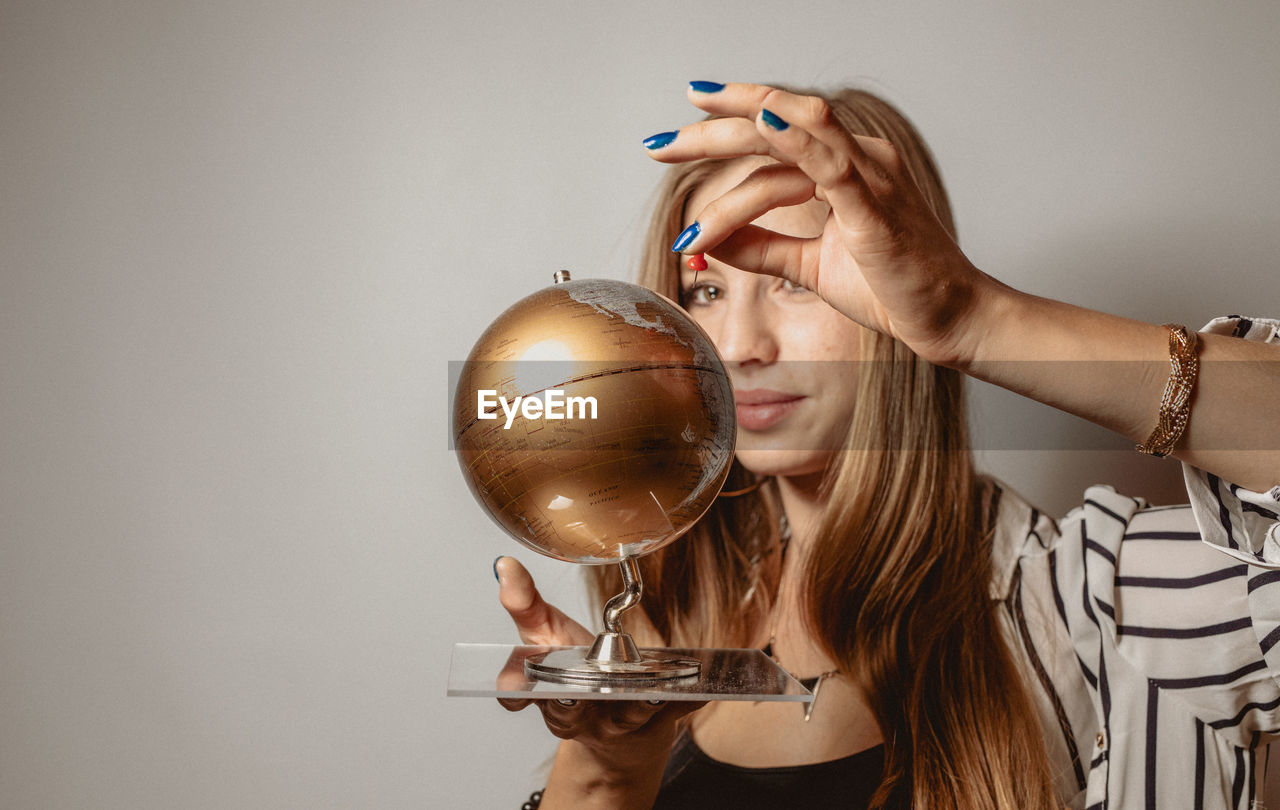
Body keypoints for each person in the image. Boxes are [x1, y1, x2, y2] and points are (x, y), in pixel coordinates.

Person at [494, 82, 1280, 809]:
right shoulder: (667, 612)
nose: (738, 345)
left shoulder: (1102, 601)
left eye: (796, 280)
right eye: (707, 289)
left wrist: (979, 316)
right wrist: (605, 768)